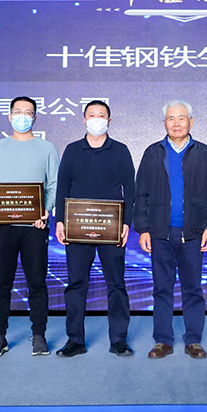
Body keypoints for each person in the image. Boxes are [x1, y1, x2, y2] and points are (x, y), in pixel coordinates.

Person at [134, 100, 207, 360]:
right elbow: (141, 194)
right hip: (160, 233)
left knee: (193, 289)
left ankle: (193, 340)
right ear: (164, 123)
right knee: (162, 289)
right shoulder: (152, 153)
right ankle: (163, 341)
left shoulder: (204, 153)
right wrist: (143, 229)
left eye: (182, 118)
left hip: (193, 233)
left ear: (191, 122)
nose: (176, 123)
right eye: (171, 118)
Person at [54, 100, 135, 358]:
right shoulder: (72, 150)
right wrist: (59, 220)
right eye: (92, 115)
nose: (96, 119)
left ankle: (119, 340)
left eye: (101, 115)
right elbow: (62, 186)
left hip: (111, 229)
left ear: (109, 121)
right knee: (76, 284)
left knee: (116, 284)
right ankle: (75, 340)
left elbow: (130, 189)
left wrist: (126, 223)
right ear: (84, 120)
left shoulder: (120, 150)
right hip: (77, 228)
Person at [0, 96, 59, 357]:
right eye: (18, 112)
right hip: (2, 227)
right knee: (1, 284)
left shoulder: (47, 148)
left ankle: (39, 335)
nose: (22, 117)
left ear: (35, 117)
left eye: (28, 112)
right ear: (9, 116)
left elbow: (53, 185)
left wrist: (45, 210)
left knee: (37, 282)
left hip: (35, 226)